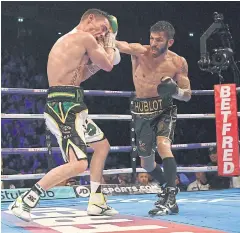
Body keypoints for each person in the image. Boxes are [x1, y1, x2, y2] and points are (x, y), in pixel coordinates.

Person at [9, 8, 121, 222]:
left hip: (72, 104)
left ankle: (96, 201)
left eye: (106, 31)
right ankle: (25, 199)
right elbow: (107, 64)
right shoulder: (85, 37)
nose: (103, 33)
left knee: (102, 145)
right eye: (103, 28)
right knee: (79, 164)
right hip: (64, 106)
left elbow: (82, 75)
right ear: (90, 19)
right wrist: (111, 40)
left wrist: (105, 52)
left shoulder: (75, 41)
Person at [116, 21, 191, 216]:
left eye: (159, 40)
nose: (154, 43)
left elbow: (187, 94)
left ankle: (171, 198)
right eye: (152, 38)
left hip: (164, 108)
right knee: (147, 164)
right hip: (141, 110)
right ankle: (167, 187)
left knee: (163, 145)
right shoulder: (140, 52)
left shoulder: (178, 62)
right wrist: (104, 38)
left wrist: (175, 91)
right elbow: (122, 45)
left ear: (170, 42)